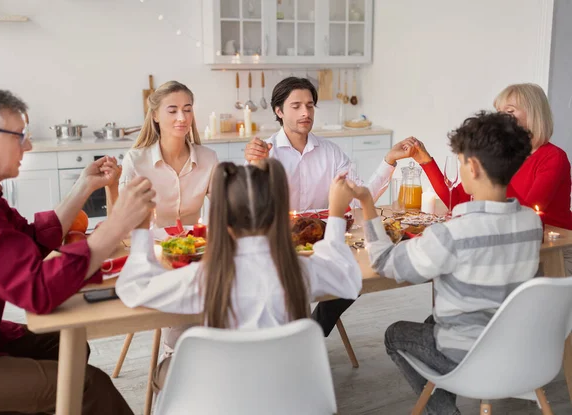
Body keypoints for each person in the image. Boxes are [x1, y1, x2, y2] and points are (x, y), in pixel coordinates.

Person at [0, 86, 156, 413]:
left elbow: (29, 242)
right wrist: (116, 226)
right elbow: (35, 289)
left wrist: (84, 187)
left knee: (66, 346)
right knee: (86, 386)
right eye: (18, 136)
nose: (27, 145)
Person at [350, 111, 542, 415]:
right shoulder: (531, 223)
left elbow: (386, 263)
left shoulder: (454, 233)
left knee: (395, 334)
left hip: (469, 353)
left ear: (473, 167)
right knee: (433, 321)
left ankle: (443, 412)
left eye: (461, 160)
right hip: (520, 348)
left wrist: (367, 206)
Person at [116, 159, 363, 393]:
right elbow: (348, 278)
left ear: (223, 221)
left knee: (169, 364)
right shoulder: (298, 270)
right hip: (287, 395)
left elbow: (132, 288)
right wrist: (336, 214)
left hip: (218, 398)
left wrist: (141, 228)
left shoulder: (203, 278)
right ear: (279, 217)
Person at [244, 76, 416, 337]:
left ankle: (312, 330)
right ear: (279, 111)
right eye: (296, 106)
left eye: (310, 105)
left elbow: (360, 197)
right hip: (279, 247)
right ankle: (279, 340)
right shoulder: (265, 153)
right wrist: (256, 167)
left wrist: (389, 160)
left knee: (357, 275)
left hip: (323, 241)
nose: (305, 112)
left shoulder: (331, 152)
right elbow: (251, 211)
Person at [412, 83, 572, 273]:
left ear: (534, 113)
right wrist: (426, 161)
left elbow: (524, 213)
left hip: (556, 249)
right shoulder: (503, 155)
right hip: (515, 242)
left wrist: (495, 173)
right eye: (499, 112)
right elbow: (455, 199)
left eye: (510, 111)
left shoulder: (553, 157)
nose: (501, 118)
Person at [108, 80, 219, 227]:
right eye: (172, 111)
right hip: (151, 246)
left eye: (187, 110)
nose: (182, 118)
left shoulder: (208, 158)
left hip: (194, 246)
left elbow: (226, 208)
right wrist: (110, 186)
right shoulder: (135, 160)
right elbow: (119, 221)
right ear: (155, 116)